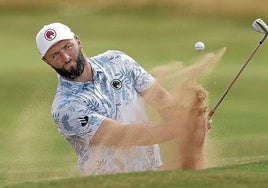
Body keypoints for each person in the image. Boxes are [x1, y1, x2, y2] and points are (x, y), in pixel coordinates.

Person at [35, 22, 212, 175]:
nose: (66, 58)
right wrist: (183, 127)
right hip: (108, 182)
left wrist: (189, 121)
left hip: (155, 173)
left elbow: (161, 99)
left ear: (78, 41)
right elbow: (125, 135)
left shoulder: (117, 61)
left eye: (67, 46)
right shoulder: (65, 108)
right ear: (47, 62)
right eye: (55, 55)